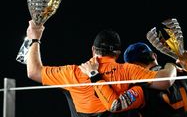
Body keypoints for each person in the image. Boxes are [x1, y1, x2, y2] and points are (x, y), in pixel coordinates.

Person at [25, 19, 177, 116]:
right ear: (117, 53)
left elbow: (33, 71)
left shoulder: (72, 72)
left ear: (93, 49)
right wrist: (172, 64)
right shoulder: (129, 70)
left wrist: (34, 39)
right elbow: (166, 81)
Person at [80, 42, 187, 117]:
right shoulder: (184, 76)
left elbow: (115, 105)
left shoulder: (142, 88)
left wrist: (94, 75)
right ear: (154, 55)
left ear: (133, 67)